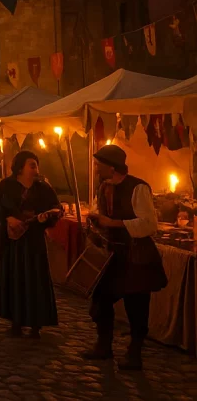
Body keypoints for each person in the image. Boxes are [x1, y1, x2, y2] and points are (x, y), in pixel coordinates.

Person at [82, 145, 167, 371]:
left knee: (136, 306)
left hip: (136, 255)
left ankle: (135, 353)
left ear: (112, 167)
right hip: (113, 255)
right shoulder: (104, 187)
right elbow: (104, 219)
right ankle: (103, 346)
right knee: (100, 299)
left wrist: (114, 223)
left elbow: (149, 224)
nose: (96, 168)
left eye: (99, 164)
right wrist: (96, 226)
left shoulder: (138, 188)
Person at [0, 150, 60, 338]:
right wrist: (8, 217)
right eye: (32, 165)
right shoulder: (7, 185)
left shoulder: (43, 188)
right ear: (20, 167)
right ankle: (16, 321)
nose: (35, 168)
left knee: (34, 279)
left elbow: (56, 208)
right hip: (12, 242)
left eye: (36, 165)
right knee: (14, 279)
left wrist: (47, 216)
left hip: (33, 242)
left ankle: (36, 323)